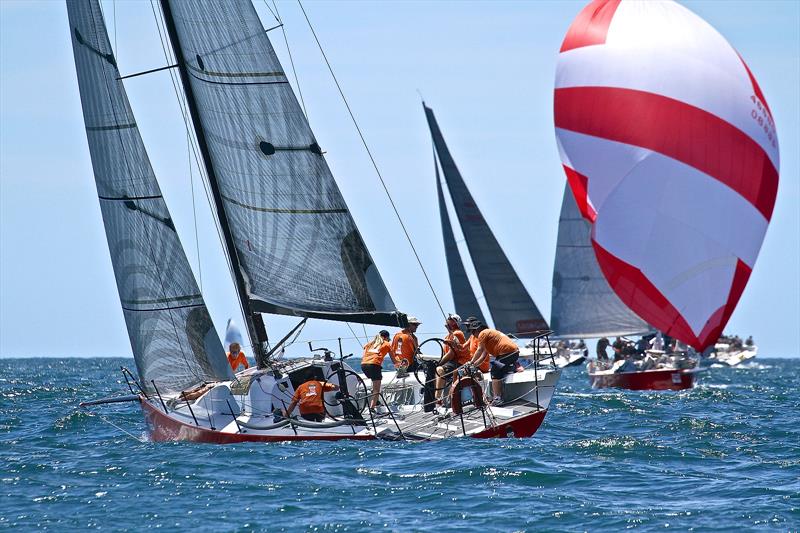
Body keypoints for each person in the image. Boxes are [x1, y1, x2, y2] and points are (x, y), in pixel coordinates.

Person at [469, 322, 519, 406]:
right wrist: (473, 365)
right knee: (499, 368)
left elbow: (479, 350)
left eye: (473, 332)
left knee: (495, 371)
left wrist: (471, 362)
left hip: (507, 353)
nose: (472, 334)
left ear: (477, 330)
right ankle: (513, 367)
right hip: (512, 353)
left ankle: (497, 399)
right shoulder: (488, 338)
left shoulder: (483, 333)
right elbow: (483, 357)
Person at [434, 315, 468, 405]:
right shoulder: (448, 336)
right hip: (452, 362)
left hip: (460, 362)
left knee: (439, 370)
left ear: (455, 323)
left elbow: (450, 354)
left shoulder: (457, 333)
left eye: (450, 319)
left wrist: (438, 364)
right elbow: (446, 354)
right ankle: (440, 398)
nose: (447, 319)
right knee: (433, 370)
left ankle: (437, 399)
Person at [360, 330, 393, 410]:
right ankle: (372, 408)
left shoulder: (370, 344)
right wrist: (399, 365)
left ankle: (376, 402)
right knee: (376, 389)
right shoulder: (387, 344)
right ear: (386, 337)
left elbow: (364, 353)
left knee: (374, 381)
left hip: (364, 365)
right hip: (374, 365)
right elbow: (393, 358)